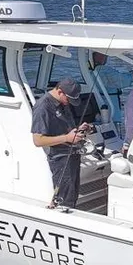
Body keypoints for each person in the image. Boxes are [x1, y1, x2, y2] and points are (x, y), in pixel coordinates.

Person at [31, 78, 91, 208]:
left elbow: (64, 128)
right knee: (65, 201)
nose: (69, 103)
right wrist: (66, 138)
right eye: (68, 99)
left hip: (73, 156)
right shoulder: (43, 106)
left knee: (73, 196)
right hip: (60, 159)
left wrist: (79, 130)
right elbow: (38, 140)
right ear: (60, 92)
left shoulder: (63, 103)